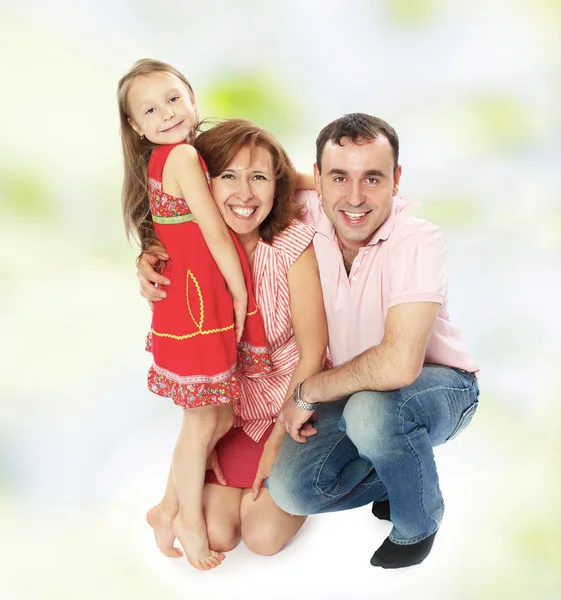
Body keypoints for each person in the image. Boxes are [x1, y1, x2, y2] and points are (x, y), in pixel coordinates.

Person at [268, 113, 480, 569]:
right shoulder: (310, 213)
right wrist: (153, 250)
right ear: (318, 179)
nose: (356, 198)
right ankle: (398, 473)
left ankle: (418, 521)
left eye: (373, 178)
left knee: (372, 410)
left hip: (439, 387)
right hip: (351, 390)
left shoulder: (419, 241)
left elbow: (399, 365)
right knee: (292, 490)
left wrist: (307, 391)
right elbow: (242, 188)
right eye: (339, 177)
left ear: (396, 180)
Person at [136, 120, 328, 558]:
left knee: (261, 539)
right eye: (228, 177)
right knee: (218, 534)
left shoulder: (291, 244)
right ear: (202, 184)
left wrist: (279, 438)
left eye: (258, 178)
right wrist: (145, 263)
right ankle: (174, 507)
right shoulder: (185, 254)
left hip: (290, 409)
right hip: (230, 415)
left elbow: (314, 351)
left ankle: (296, 479)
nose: (245, 194)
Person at [117, 59, 272, 570]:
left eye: (173, 98)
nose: (166, 113)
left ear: (192, 97)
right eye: (150, 109)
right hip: (200, 305)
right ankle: (186, 523)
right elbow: (213, 232)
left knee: (218, 414)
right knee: (201, 422)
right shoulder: (181, 156)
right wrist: (240, 292)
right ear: (136, 127)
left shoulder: (177, 156)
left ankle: (165, 509)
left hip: (190, 303)